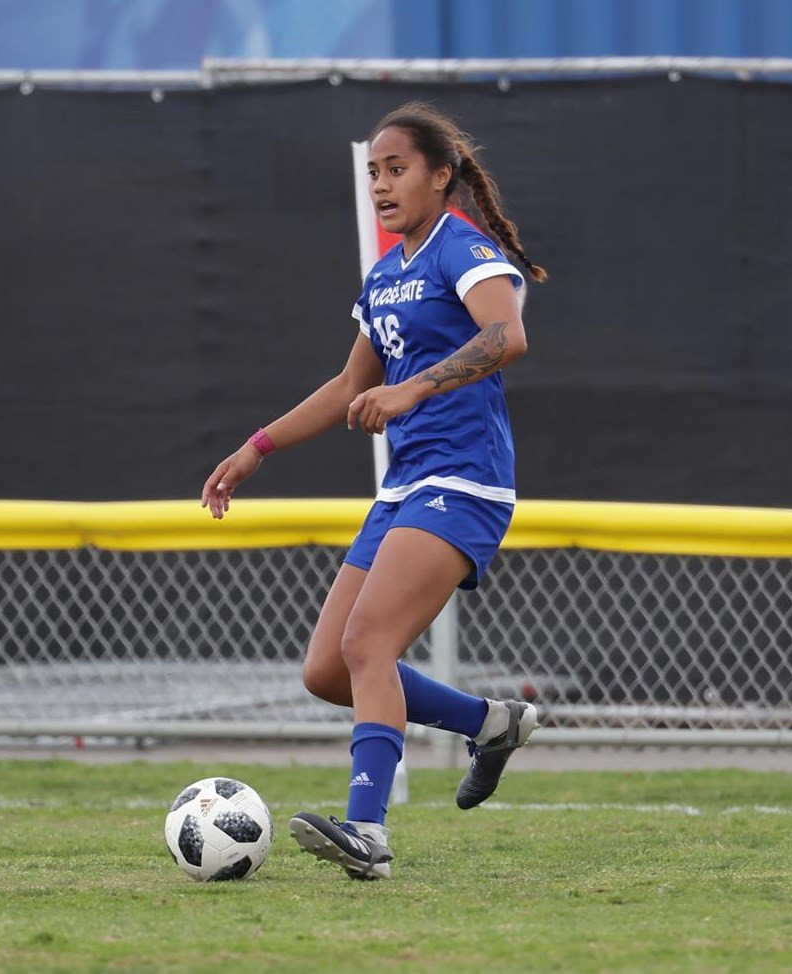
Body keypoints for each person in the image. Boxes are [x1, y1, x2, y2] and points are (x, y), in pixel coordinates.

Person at [200, 101, 547, 880]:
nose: (382, 186)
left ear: (441, 176)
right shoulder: (388, 272)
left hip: (465, 481)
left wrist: (412, 391)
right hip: (404, 490)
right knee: (328, 669)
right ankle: (491, 723)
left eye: (396, 170)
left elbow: (508, 335)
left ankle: (369, 834)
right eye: (373, 174)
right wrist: (258, 446)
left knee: (368, 645)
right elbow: (351, 384)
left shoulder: (463, 247)